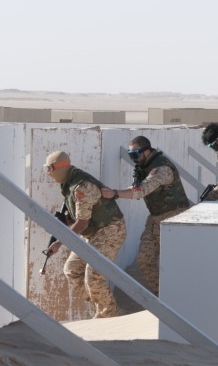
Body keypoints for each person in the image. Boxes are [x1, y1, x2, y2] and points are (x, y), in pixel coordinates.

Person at [101, 136, 190, 296]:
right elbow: (137, 187)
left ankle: (179, 298)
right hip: (155, 218)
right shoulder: (145, 165)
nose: (133, 159)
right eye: (130, 155)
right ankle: (161, 297)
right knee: (144, 260)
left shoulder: (161, 168)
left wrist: (115, 193)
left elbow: (141, 191)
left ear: (147, 152)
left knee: (175, 263)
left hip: (174, 218)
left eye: (135, 154)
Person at [44, 151, 126, 318]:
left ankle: (108, 315)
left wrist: (59, 242)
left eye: (49, 169)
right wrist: (66, 221)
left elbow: (82, 223)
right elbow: (80, 217)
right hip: (94, 233)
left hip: (110, 230)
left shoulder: (82, 187)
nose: (49, 174)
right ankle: (103, 304)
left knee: (94, 273)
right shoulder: (69, 183)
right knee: (72, 270)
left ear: (58, 168)